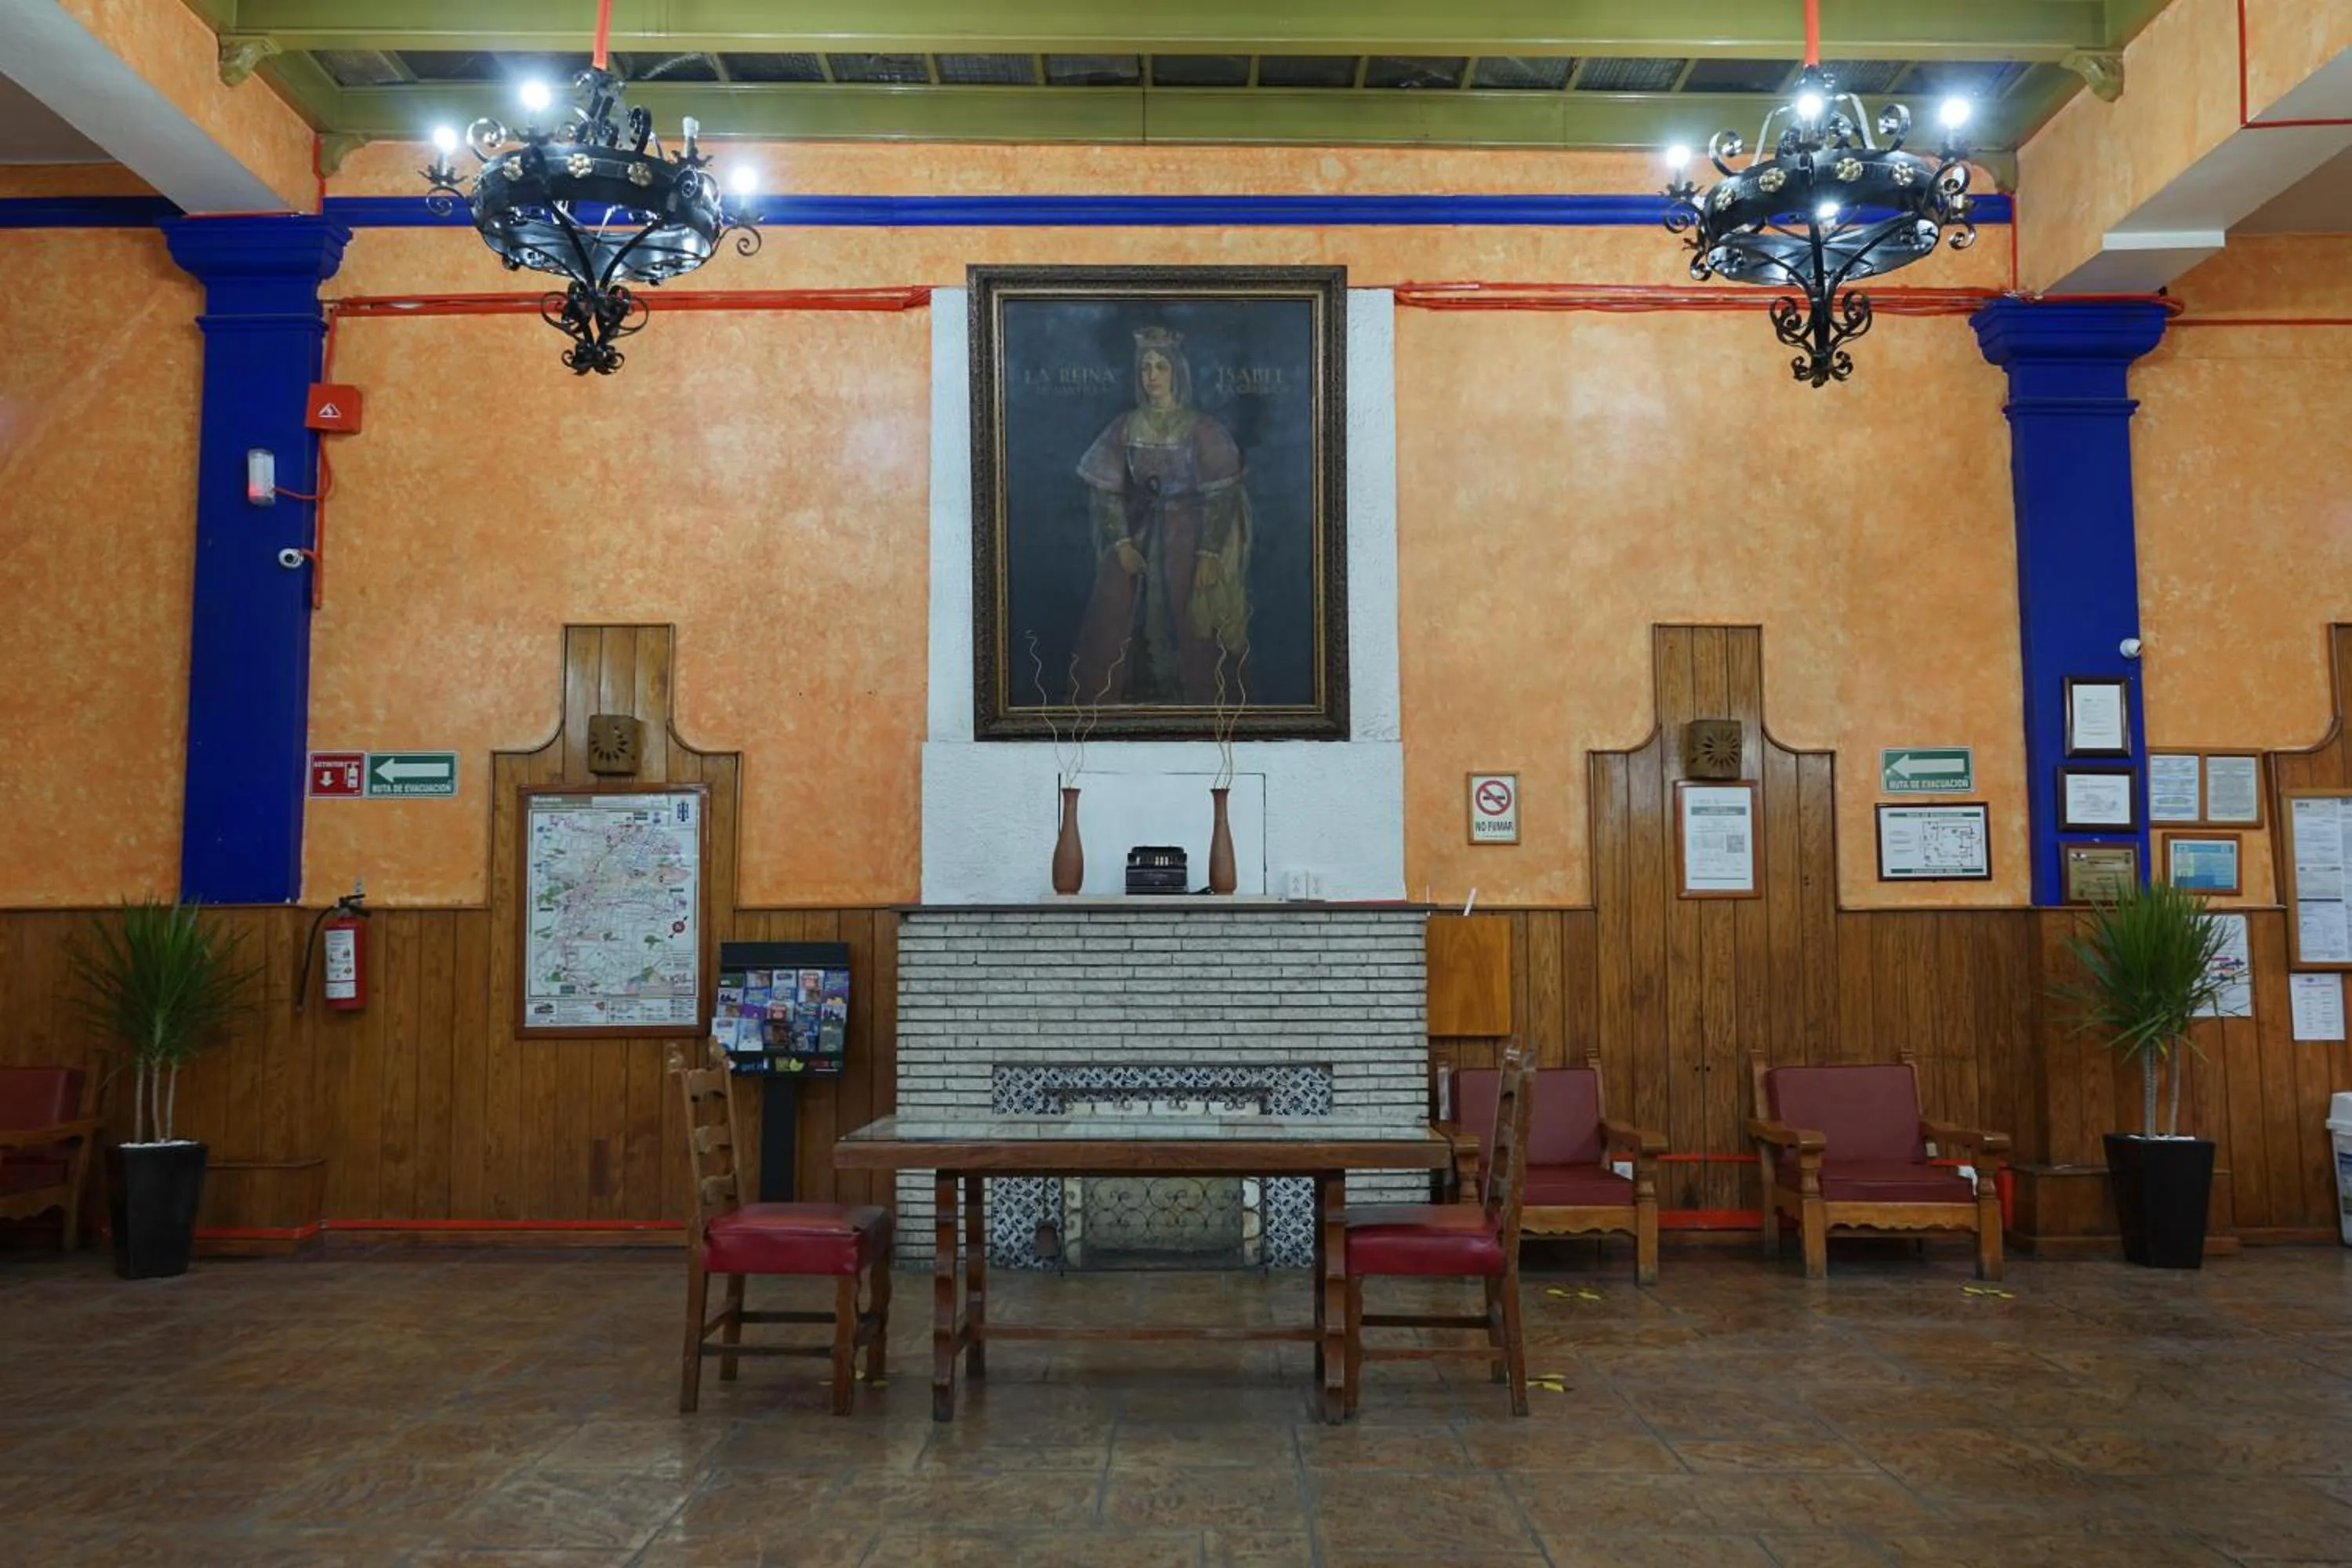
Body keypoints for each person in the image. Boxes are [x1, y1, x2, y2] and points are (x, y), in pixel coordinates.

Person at [1072, 325, 1252, 705]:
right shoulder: (1125, 427)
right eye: (1145, 368)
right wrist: (1121, 543)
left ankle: (1198, 708)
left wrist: (1209, 554)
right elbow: (1105, 492)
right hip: (1138, 536)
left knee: (1195, 626)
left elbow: (1222, 498)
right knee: (1115, 618)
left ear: (1177, 373)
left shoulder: (1202, 429)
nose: (1151, 376)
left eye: (1160, 367)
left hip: (1190, 541)